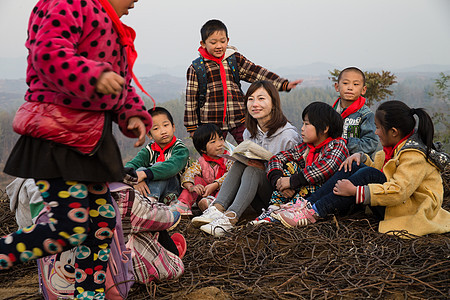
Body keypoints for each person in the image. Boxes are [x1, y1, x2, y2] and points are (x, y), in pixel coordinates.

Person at [1, 0, 152, 299]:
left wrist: (132, 114)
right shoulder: (68, 3)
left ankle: (89, 295)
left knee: (102, 221)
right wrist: (93, 75)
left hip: (90, 142)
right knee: (69, 227)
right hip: (56, 137)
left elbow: (118, 82)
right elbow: (48, 52)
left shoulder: (112, 26)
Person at [272, 101, 450, 237]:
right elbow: (383, 174)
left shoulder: (414, 156)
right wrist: (361, 158)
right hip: (396, 205)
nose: (376, 132)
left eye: (379, 128)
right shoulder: (394, 149)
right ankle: (306, 206)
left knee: (368, 173)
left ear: (394, 132)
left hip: (409, 210)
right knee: (356, 165)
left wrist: (356, 191)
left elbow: (399, 191)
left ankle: (314, 212)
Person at [191, 80, 302, 236]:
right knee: (240, 163)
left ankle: (230, 218)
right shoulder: (249, 132)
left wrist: (265, 167)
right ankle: (217, 209)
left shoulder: (288, 136)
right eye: (251, 99)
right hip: (254, 195)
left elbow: (296, 172)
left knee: (253, 170)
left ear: (274, 103)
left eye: (261, 98)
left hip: (280, 197)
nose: (255, 104)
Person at [184, 19, 303, 144]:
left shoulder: (233, 59)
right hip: (211, 121)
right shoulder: (197, 68)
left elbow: (256, 73)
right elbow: (191, 100)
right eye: (213, 42)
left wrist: (282, 84)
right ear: (203, 44)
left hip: (240, 117)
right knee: (213, 155)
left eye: (222, 41)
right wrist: (192, 128)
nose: (219, 46)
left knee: (252, 149)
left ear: (228, 41)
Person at [254, 102, 349, 224]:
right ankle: (274, 209)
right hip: (299, 195)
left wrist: (292, 181)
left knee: (303, 176)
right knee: (290, 165)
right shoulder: (306, 147)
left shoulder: (337, 145)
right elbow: (277, 158)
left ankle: (285, 213)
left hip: (323, 199)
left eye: (307, 124)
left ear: (325, 128)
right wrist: (279, 181)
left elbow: (324, 169)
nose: (302, 128)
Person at [124, 107, 189, 203]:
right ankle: (139, 200)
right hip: (156, 189)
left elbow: (171, 167)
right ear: (149, 135)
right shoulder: (149, 150)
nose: (163, 131)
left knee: (157, 166)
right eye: (156, 128)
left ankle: (150, 201)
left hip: (174, 190)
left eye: (166, 125)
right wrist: (136, 179)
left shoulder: (180, 149)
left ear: (173, 127)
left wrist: (145, 174)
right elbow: (132, 164)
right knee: (138, 170)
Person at [169, 124, 233, 216]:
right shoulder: (201, 162)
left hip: (222, 196)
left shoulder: (229, 159)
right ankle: (183, 205)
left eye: (221, 139)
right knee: (196, 179)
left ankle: (215, 206)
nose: (219, 144)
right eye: (213, 142)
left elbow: (231, 176)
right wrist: (191, 187)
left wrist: (215, 184)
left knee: (228, 183)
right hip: (204, 195)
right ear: (203, 149)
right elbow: (189, 173)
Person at [332, 67, 378, 157]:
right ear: (337, 87)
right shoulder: (330, 113)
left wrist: (345, 143)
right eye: (345, 83)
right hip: (332, 161)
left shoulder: (366, 115)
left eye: (356, 84)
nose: (350, 88)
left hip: (356, 164)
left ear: (363, 90)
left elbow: (371, 144)